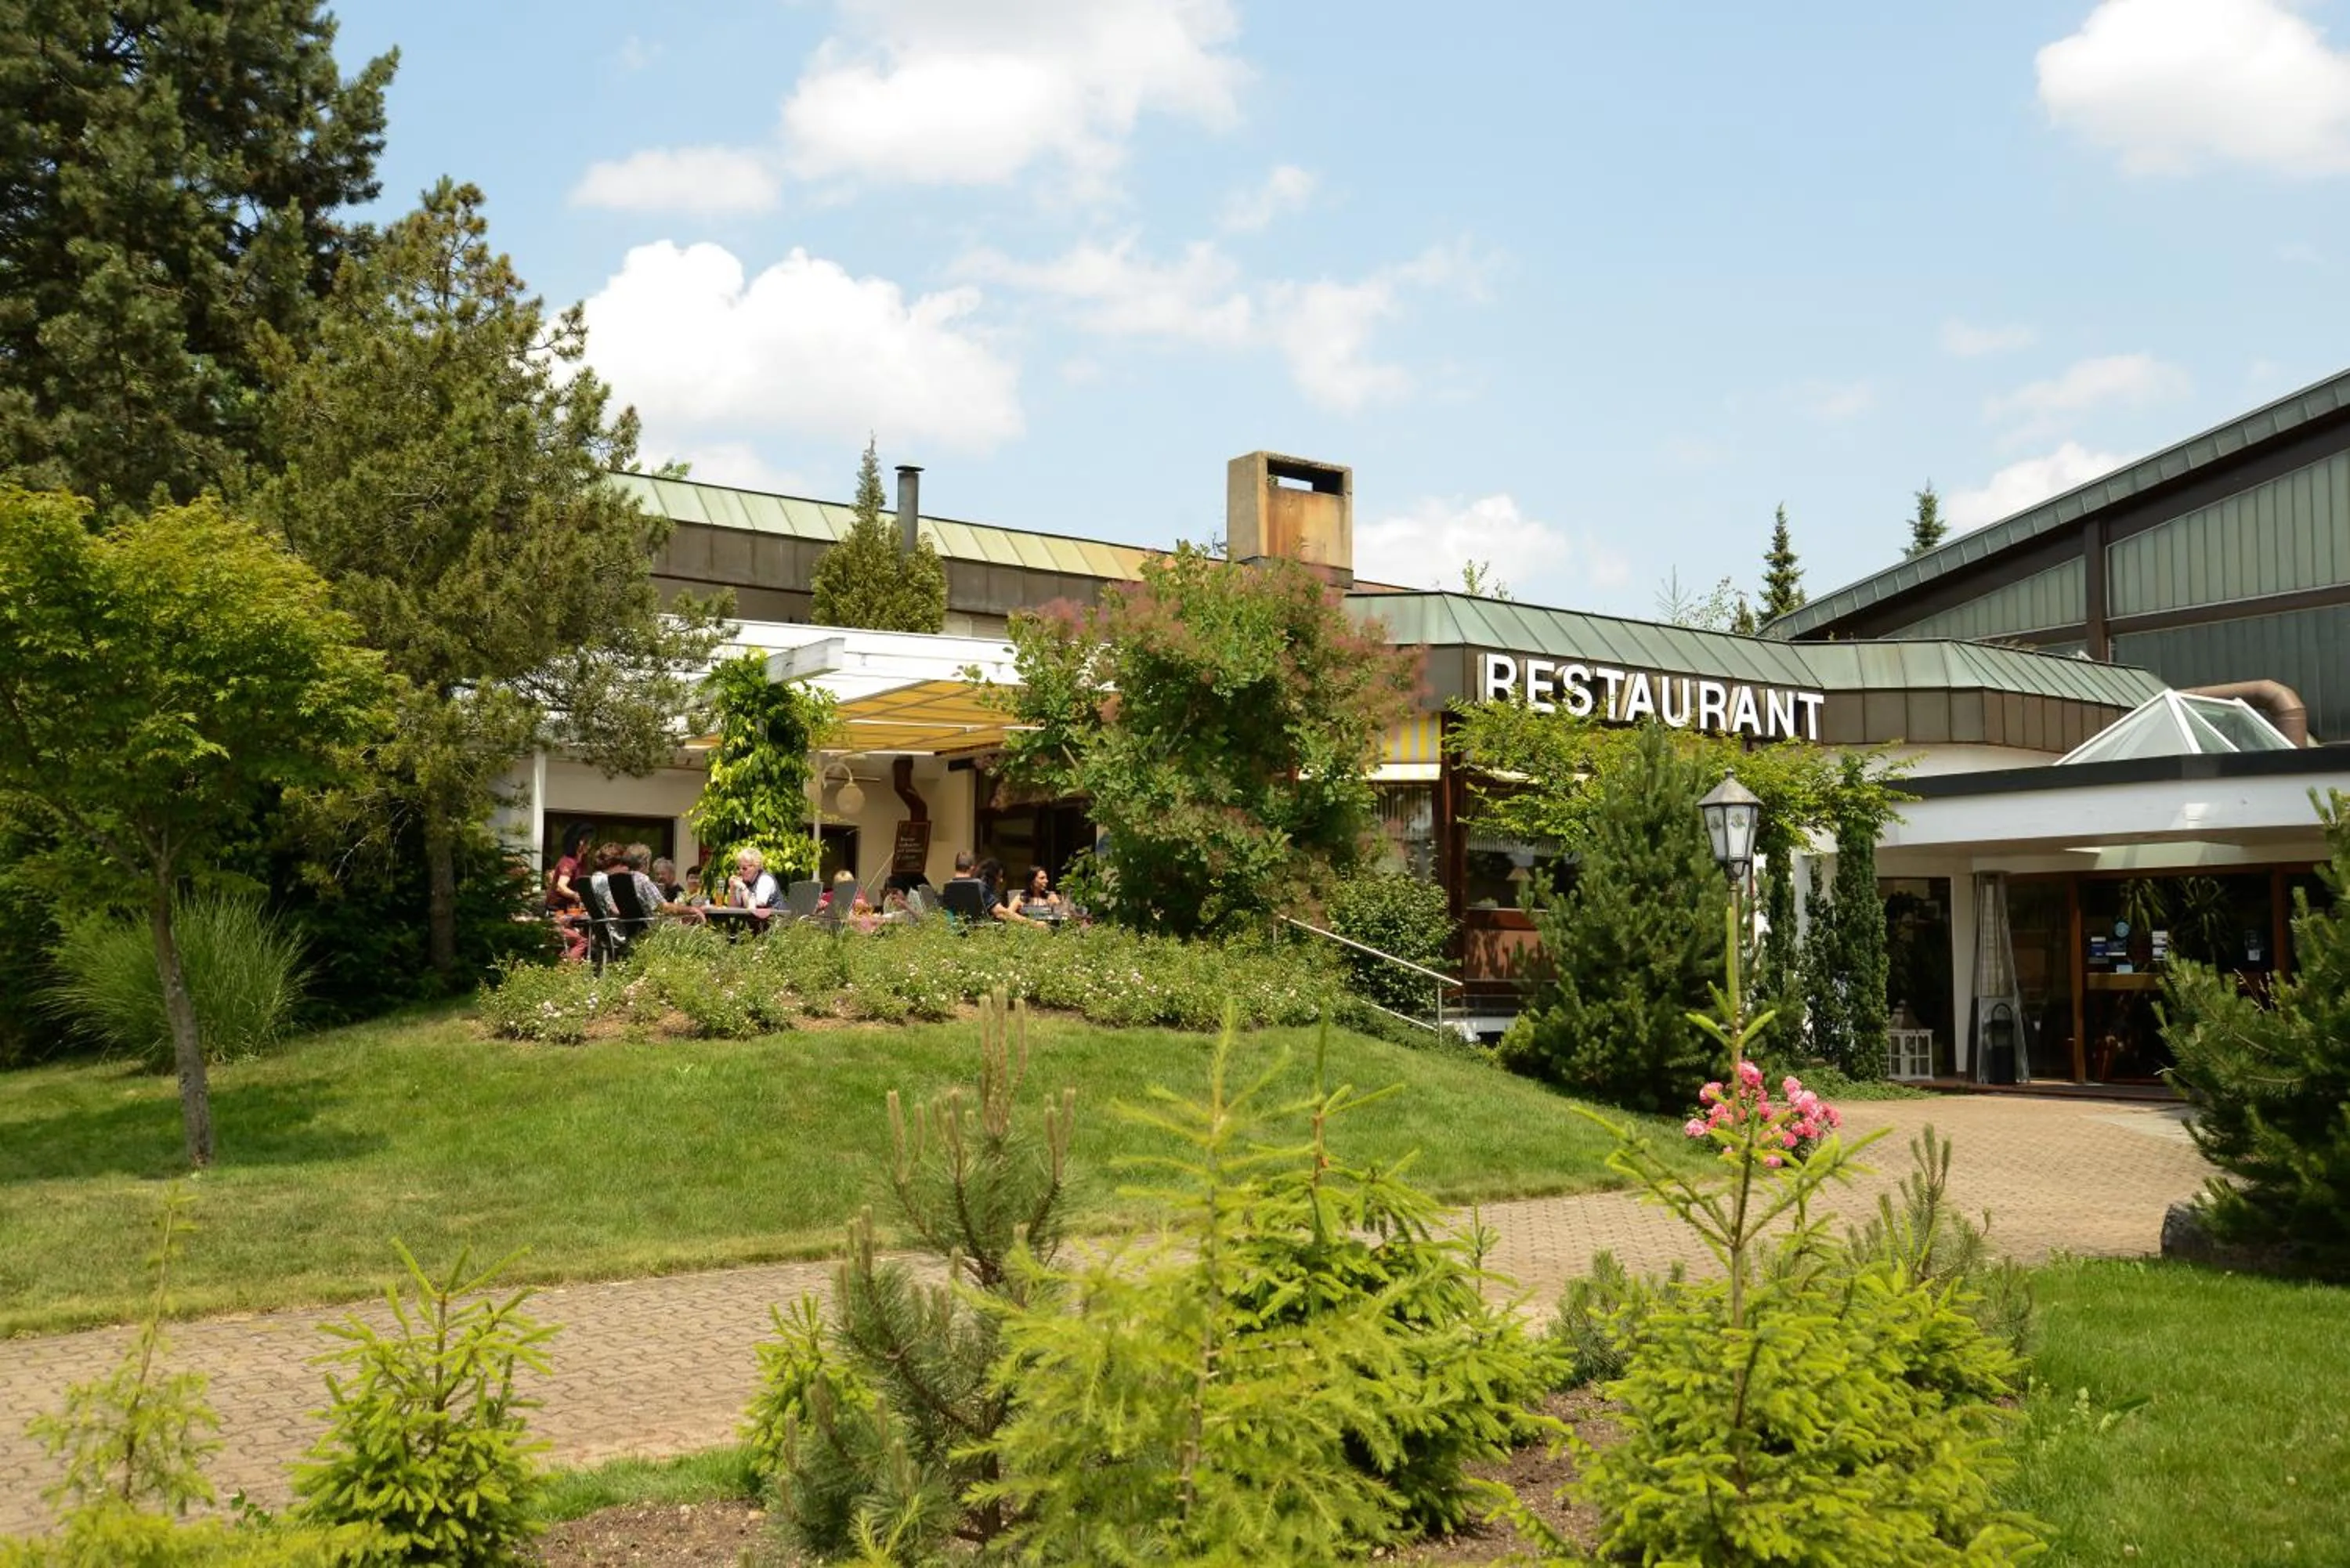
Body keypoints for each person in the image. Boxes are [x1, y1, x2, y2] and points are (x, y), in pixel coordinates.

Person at [1000, 865, 1070, 927]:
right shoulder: (1021, 898)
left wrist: (1058, 904)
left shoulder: (1050, 896)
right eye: (1042, 878)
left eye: (1046, 878)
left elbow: (1064, 914)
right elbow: (1008, 914)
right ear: (1032, 881)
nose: (1047, 881)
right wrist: (1032, 924)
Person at [728, 847, 781, 919]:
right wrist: (732, 889)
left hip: (775, 925)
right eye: (738, 868)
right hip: (756, 926)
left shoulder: (765, 880)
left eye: (744, 868)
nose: (740, 871)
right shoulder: (743, 882)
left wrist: (743, 888)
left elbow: (753, 907)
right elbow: (733, 908)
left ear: (756, 867)